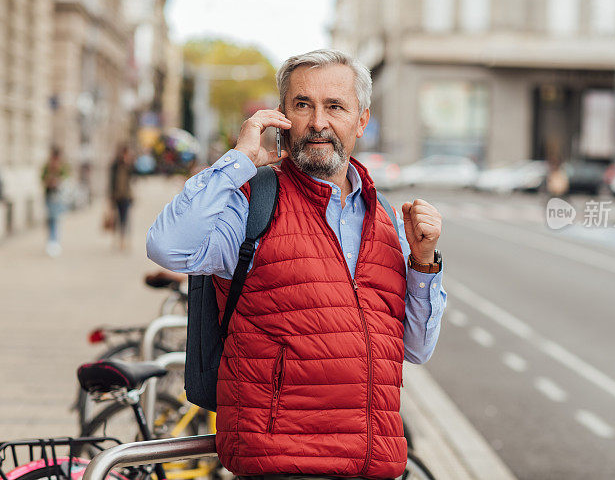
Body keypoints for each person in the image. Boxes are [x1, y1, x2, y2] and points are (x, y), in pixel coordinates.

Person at [147, 49, 446, 480]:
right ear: (282, 115)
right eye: (302, 105)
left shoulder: (385, 220)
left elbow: (416, 347)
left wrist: (423, 264)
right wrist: (238, 163)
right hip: (283, 464)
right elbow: (165, 245)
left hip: (372, 465)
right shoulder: (253, 202)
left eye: (335, 106)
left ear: (361, 120)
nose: (318, 122)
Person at [41, 146, 69, 257]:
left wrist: (58, 180)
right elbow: (42, 178)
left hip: (58, 197)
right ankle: (51, 241)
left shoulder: (62, 167)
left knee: (56, 219)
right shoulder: (47, 166)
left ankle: (54, 241)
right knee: (50, 219)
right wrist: (49, 180)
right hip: (49, 195)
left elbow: (66, 179)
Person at [109, 145, 135, 251]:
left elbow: (134, 176)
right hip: (117, 196)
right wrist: (110, 196)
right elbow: (111, 182)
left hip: (126, 196)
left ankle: (123, 240)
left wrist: (129, 163)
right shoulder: (115, 165)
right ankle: (116, 238)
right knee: (116, 218)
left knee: (125, 218)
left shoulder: (129, 166)